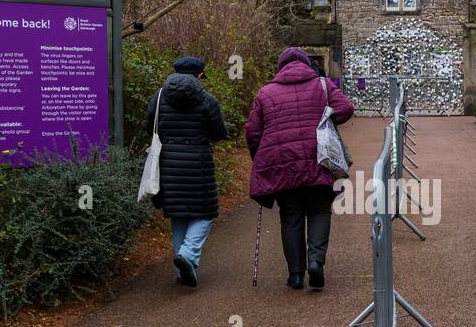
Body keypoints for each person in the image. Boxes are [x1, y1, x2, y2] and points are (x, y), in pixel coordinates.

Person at [246, 47, 354, 290]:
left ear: (280, 67)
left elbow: (253, 133)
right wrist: (326, 117)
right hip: (319, 158)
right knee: (319, 210)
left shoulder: (265, 92)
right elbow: (346, 108)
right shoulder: (323, 85)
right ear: (306, 64)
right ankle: (316, 262)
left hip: (282, 163)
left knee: (291, 217)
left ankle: (295, 274)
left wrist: (261, 160)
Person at [145, 55, 229, 287]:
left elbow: (148, 126)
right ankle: (188, 255)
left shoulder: (159, 97)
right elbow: (218, 134)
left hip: (168, 164)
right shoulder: (207, 100)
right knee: (204, 213)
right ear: (199, 75)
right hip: (198, 164)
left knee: (179, 215)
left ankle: (183, 273)